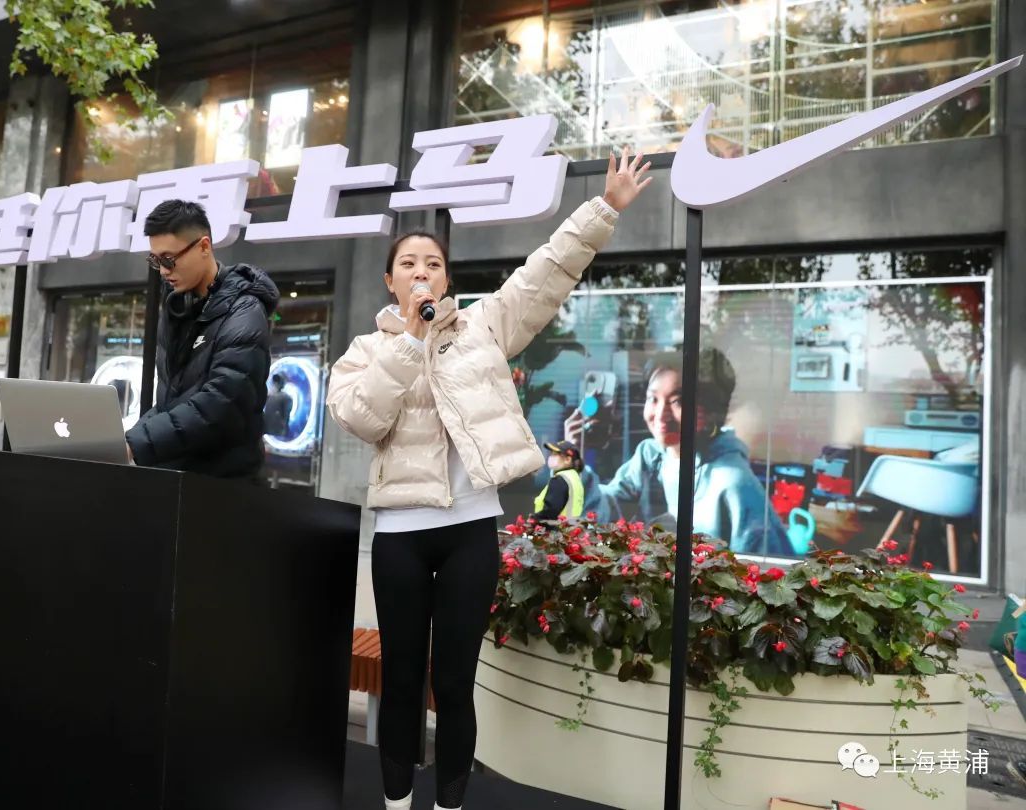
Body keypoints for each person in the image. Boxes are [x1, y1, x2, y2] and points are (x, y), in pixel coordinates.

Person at [327, 148, 652, 810]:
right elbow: (362, 418)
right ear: (389, 281)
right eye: (409, 264)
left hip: (470, 528)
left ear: (447, 278)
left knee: (454, 682)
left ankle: (449, 805)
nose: (422, 273)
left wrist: (605, 207)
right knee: (401, 677)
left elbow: (545, 273)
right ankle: (395, 805)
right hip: (400, 534)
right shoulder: (365, 353)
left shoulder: (481, 328)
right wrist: (406, 344)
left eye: (433, 264)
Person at [567, 348, 792, 556]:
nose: (660, 415)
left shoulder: (733, 483)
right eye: (653, 399)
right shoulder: (650, 457)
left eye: (678, 401)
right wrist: (574, 458)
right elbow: (603, 516)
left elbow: (769, 567)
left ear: (712, 411)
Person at [125, 199, 279, 478]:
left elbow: (221, 406)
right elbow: (172, 402)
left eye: (168, 259)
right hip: (177, 478)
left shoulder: (244, 311)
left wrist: (136, 444)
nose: (163, 271)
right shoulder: (177, 307)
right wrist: (124, 441)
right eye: (155, 261)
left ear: (204, 247)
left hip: (222, 486)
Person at [530, 440, 585, 521]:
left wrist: (534, 519)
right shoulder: (574, 478)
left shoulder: (560, 479)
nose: (551, 457)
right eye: (551, 454)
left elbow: (551, 510)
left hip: (555, 527)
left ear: (567, 460)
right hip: (570, 527)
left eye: (555, 454)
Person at [263, 373, 293, 439]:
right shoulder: (286, 398)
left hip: (274, 433)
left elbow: (286, 416)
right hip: (276, 433)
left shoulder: (268, 396)